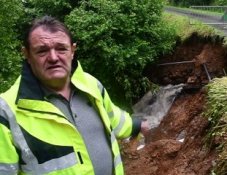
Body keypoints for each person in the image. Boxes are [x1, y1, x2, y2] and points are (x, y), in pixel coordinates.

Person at [0, 16, 148, 175]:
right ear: (27, 54)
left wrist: (136, 125)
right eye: (42, 51)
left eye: (61, 49)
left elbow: (113, 118)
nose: (54, 58)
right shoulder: (7, 111)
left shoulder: (91, 85)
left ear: (72, 50)